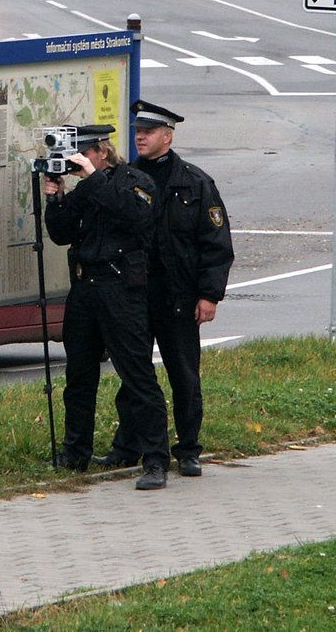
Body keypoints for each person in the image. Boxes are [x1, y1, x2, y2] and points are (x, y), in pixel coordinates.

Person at [96, 101, 234, 479]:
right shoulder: (126, 179)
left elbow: (216, 243)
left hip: (179, 298)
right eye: (138, 130)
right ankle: (128, 446)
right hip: (134, 295)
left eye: (149, 131)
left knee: (184, 375)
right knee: (135, 377)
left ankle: (187, 450)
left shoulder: (195, 182)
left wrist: (209, 295)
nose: (139, 136)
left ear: (167, 137)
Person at [42, 124, 171, 490]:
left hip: (121, 290)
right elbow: (62, 234)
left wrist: (92, 177)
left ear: (100, 151)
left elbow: (135, 215)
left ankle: (156, 459)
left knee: (137, 375)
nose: (75, 161)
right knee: (79, 376)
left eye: (81, 153)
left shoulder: (136, 181)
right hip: (86, 289)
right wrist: (57, 198)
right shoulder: (87, 187)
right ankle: (75, 452)